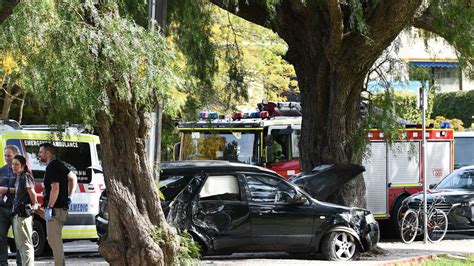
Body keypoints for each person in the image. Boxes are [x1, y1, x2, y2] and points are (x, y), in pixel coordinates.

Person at [38, 143, 77, 266]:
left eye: (40, 152)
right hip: (62, 209)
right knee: (56, 241)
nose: (39, 155)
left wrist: (50, 206)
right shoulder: (59, 164)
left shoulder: (52, 166)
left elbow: (55, 187)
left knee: (54, 242)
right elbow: (73, 178)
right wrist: (69, 196)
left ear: (48, 153)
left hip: (55, 209)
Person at [11, 155, 36, 266]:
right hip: (17, 215)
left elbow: (32, 194)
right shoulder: (19, 176)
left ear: (23, 165)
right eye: (13, 164)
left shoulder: (26, 176)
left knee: (26, 245)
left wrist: (34, 206)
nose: (14, 166)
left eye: (16, 164)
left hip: (23, 215)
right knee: (21, 245)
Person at [0, 145, 21, 266]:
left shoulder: (20, 171)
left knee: (18, 238)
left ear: (15, 156)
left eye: (9, 155)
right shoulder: (1, 170)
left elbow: (22, 189)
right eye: (5, 155)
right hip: (2, 209)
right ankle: (2, 263)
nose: (7, 158)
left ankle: (20, 262)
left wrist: (7, 189)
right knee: (1, 237)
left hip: (16, 209)